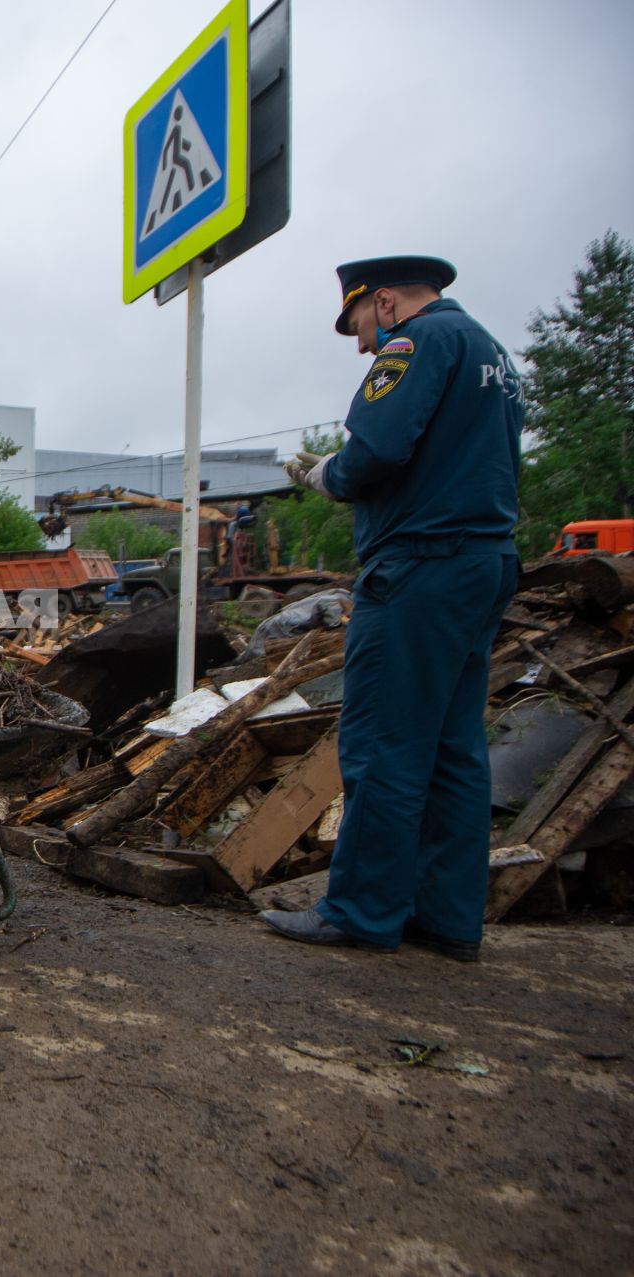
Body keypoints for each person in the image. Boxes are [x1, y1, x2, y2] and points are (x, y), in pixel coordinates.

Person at [264, 256, 522, 961]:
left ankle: (361, 910)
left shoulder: (419, 341)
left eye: (358, 326)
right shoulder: (493, 352)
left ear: (383, 301)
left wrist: (330, 473)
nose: (360, 345)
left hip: (420, 568)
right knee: (454, 750)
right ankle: (447, 918)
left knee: (384, 744)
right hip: (485, 562)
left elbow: (376, 448)